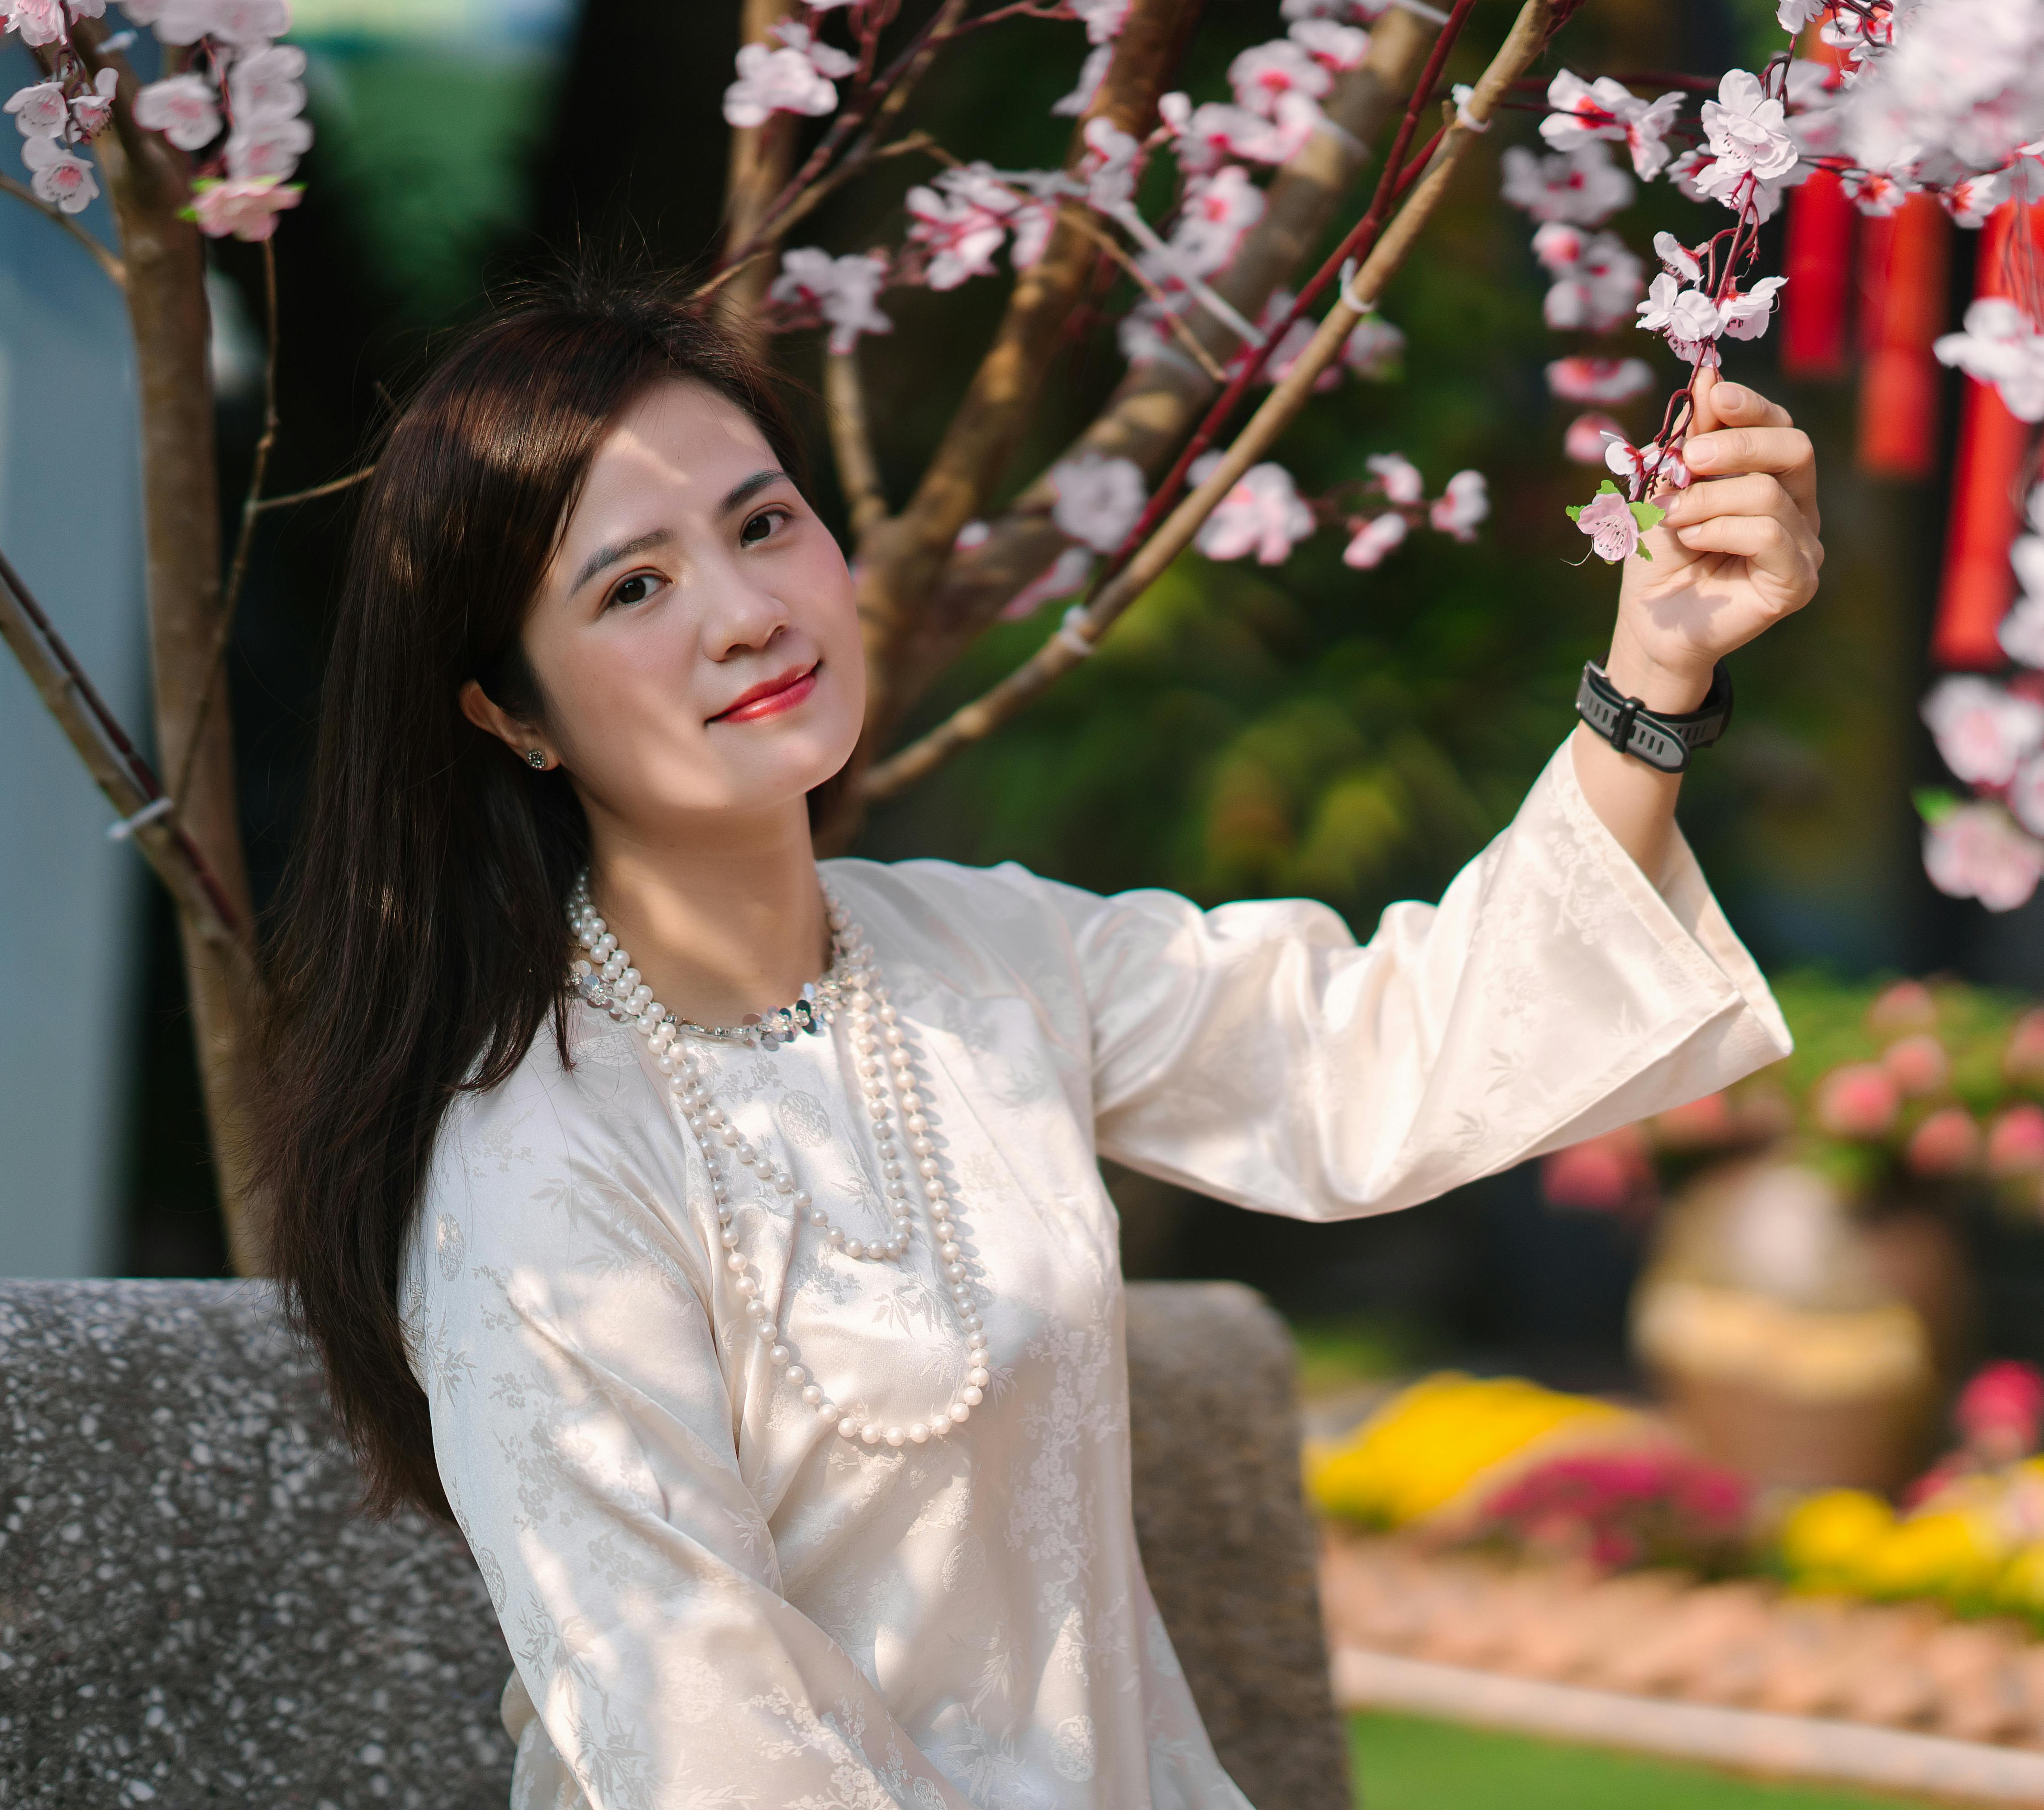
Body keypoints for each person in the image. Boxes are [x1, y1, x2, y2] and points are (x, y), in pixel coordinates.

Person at [257, 281, 1815, 1809]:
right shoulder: (536, 1166)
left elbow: (1375, 1058)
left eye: (762, 523)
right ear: (508, 711)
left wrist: (1653, 679)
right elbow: (704, 1736)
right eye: (633, 589)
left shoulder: (979, 959)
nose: (747, 614)